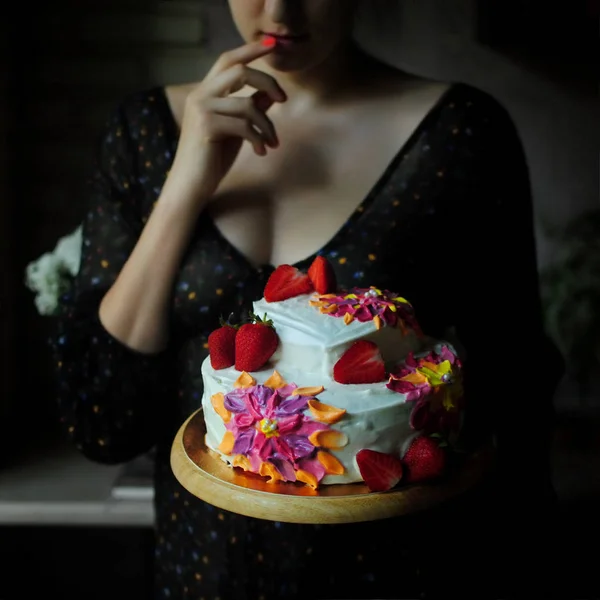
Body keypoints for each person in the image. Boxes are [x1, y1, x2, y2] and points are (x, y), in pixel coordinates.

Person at [51, 1, 564, 598]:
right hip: (204, 571)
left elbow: (517, 393)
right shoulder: (143, 131)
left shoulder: (461, 131)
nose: (278, 8)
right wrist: (183, 186)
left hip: (406, 572)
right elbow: (101, 425)